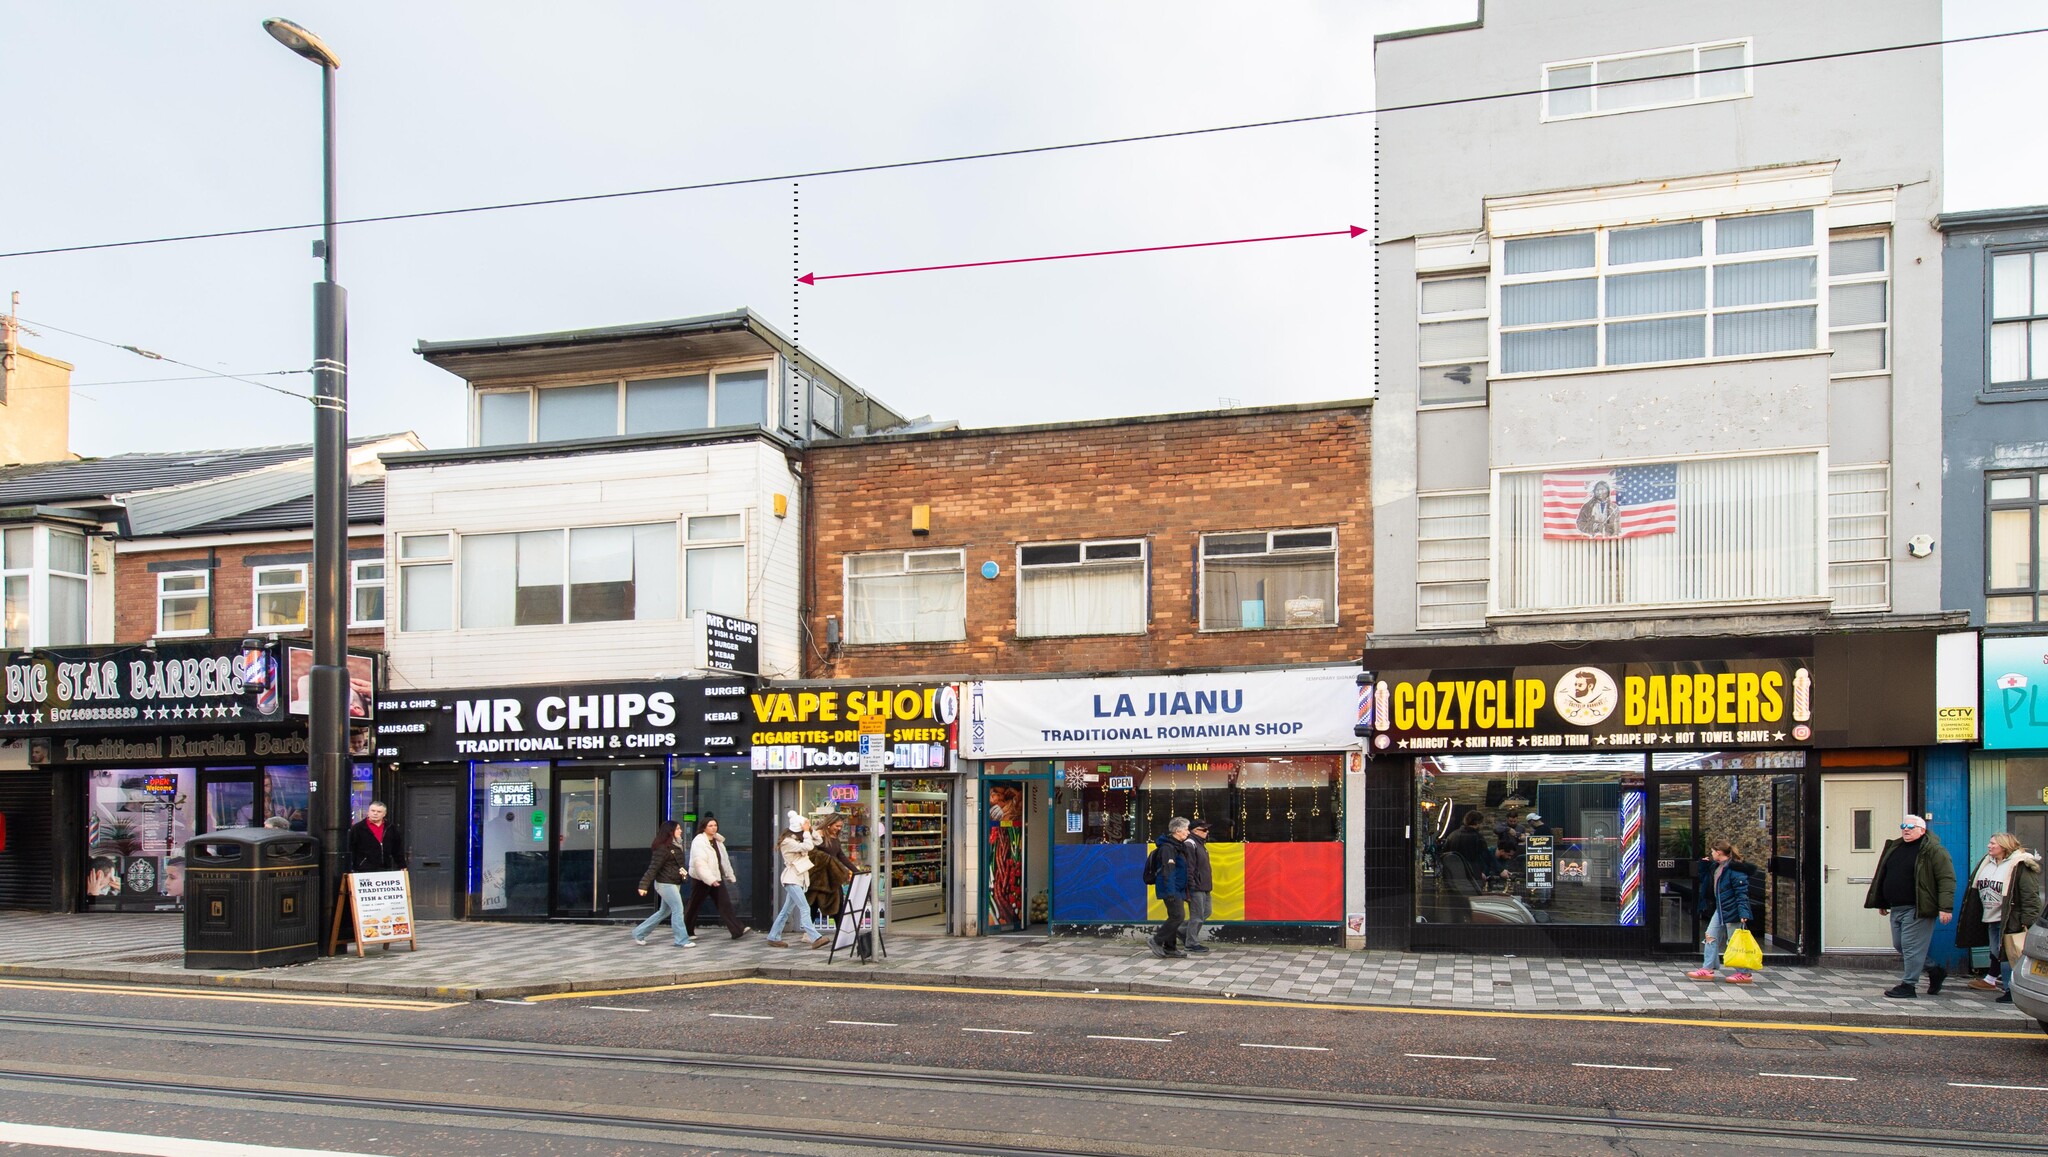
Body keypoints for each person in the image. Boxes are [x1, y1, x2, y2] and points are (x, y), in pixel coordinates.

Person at [1864, 814, 1956, 999]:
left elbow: (1946, 879)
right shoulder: (1895, 847)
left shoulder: (1934, 850)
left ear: (1922, 830)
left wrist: (1945, 907)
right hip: (1896, 907)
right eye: (1903, 825)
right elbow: (1883, 874)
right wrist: (1882, 901)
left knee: (1911, 947)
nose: (1906, 829)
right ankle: (1935, 970)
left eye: (1911, 827)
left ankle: (1909, 985)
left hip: (1918, 907)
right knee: (1901, 945)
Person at [1957, 832, 2042, 1003]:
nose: (1989, 846)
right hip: (1991, 917)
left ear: (2004, 846)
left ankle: (2011, 991)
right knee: (1996, 952)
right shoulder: (1987, 862)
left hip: (2011, 919)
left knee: (2008, 954)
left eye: (1993, 843)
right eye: (1989, 843)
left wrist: (2028, 920)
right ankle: (1994, 980)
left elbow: (2030, 895)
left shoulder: (2020, 865)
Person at [1687, 841, 1757, 984]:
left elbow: (1742, 894)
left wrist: (1743, 913)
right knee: (1710, 936)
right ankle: (1707, 968)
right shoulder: (1716, 866)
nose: (1711, 854)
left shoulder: (1735, 870)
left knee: (1734, 941)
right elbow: (1704, 879)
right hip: (1720, 909)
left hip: (1733, 910)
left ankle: (1744, 973)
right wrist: (1704, 864)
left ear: (1719, 852)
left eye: (1712, 851)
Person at [632, 820, 695, 948]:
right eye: (678, 829)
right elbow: (653, 868)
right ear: (670, 832)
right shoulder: (663, 848)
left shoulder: (676, 846)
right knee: (678, 909)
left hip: (673, 882)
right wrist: (643, 885)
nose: (681, 831)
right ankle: (681, 940)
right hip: (665, 884)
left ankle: (639, 932)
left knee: (664, 912)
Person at [684, 817, 749, 940]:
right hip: (701, 879)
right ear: (704, 827)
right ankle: (686, 931)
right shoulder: (699, 842)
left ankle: (737, 930)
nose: (714, 828)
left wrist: (730, 875)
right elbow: (700, 863)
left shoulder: (717, 841)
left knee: (724, 903)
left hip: (716, 877)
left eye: (715, 825)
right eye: (710, 826)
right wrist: (709, 879)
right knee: (694, 905)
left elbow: (724, 860)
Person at [766, 811, 825, 948]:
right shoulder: (788, 842)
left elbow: (819, 841)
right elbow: (808, 846)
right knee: (804, 908)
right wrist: (806, 832)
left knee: (786, 910)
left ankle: (773, 936)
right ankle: (815, 937)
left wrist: (810, 829)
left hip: (799, 878)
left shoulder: (800, 838)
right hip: (792, 879)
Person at [1148, 817, 1192, 959]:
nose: (1188, 832)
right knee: (1178, 916)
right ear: (1177, 831)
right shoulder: (1168, 848)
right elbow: (1168, 871)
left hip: (1176, 887)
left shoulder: (1178, 845)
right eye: (1186, 829)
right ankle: (1156, 940)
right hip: (1170, 888)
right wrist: (1171, 891)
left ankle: (1170, 948)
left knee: (1174, 916)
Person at [807, 812, 859, 925]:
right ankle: (809, 932)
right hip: (820, 877)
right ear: (829, 824)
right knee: (814, 903)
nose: (839, 829)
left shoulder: (835, 837)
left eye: (841, 826)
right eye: (837, 826)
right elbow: (811, 853)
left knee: (838, 902)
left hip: (833, 876)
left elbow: (841, 856)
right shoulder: (817, 835)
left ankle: (840, 930)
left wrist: (855, 870)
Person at [1181, 818, 1215, 954]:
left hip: (1204, 886)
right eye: (1204, 830)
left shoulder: (1200, 844)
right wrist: (1191, 886)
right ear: (1195, 831)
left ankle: (1182, 930)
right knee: (1197, 915)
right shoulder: (1190, 844)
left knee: (1206, 912)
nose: (1207, 832)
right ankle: (1191, 943)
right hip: (1196, 886)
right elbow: (1189, 868)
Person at [346, 800, 406, 874]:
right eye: (373, 811)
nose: (375, 813)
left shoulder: (391, 828)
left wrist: (402, 865)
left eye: (379, 811)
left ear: (384, 814)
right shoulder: (357, 828)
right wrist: (352, 867)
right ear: (368, 812)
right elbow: (351, 848)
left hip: (386, 869)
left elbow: (397, 848)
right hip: (363, 870)